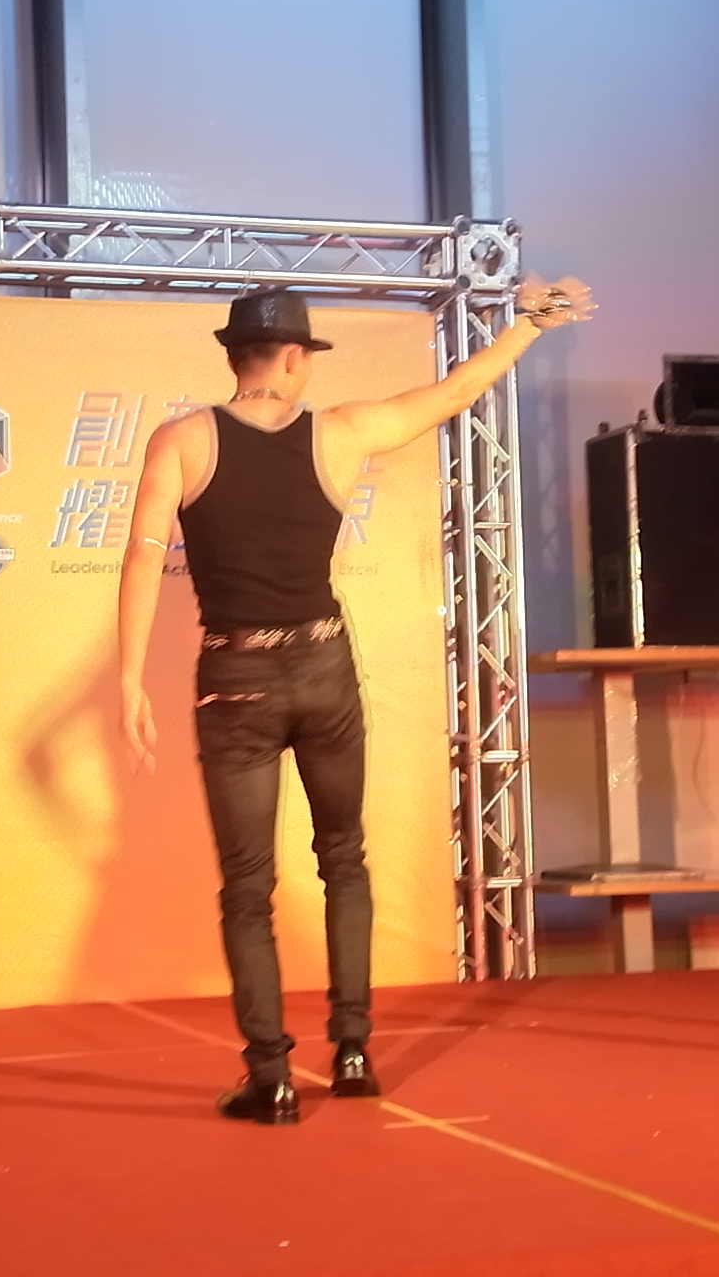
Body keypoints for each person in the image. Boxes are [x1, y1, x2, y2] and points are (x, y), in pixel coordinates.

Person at [118, 278, 592, 1123]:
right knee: (343, 858)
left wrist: (127, 677)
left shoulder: (181, 441)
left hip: (235, 675)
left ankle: (270, 1078)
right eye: (304, 355)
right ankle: (353, 1052)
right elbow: (453, 393)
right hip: (323, 667)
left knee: (247, 887)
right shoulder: (338, 433)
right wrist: (528, 324)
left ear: (235, 357)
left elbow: (142, 554)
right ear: (290, 358)